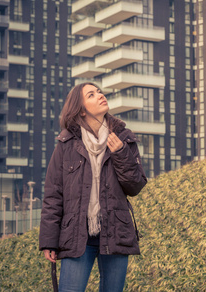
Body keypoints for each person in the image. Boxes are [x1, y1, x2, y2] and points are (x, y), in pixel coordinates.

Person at [39, 82, 147, 292]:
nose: (100, 95)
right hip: (76, 235)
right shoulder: (66, 144)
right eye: (91, 94)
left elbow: (135, 186)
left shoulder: (124, 138)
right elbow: (53, 195)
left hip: (115, 231)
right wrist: (49, 241)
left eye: (99, 91)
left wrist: (121, 153)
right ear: (81, 109)